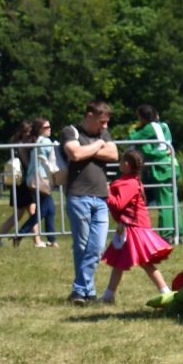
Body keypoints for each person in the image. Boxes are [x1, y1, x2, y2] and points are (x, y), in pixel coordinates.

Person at [60, 101, 119, 305]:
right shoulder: (71, 131)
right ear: (90, 115)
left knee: (96, 247)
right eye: (102, 122)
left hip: (101, 197)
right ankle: (87, 291)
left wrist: (89, 149)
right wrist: (98, 145)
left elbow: (114, 155)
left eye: (106, 123)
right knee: (82, 246)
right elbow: (74, 154)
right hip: (78, 196)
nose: (104, 127)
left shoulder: (104, 133)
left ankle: (79, 290)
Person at [99, 149, 174, 303]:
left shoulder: (130, 183)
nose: (119, 163)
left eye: (121, 161)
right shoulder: (130, 181)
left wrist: (107, 193)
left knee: (145, 262)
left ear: (127, 164)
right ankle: (109, 295)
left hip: (134, 227)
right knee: (119, 261)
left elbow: (119, 204)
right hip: (128, 226)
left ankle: (165, 290)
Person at [129, 104, 178, 238]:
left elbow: (133, 138)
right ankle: (177, 231)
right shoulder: (163, 126)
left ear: (142, 117)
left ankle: (166, 234)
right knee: (172, 201)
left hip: (162, 168)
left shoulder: (148, 128)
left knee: (164, 203)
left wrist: (136, 129)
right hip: (171, 164)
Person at [28, 117, 62, 246]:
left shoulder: (37, 141)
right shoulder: (45, 141)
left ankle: (51, 239)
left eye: (49, 126)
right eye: (46, 127)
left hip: (37, 179)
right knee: (45, 211)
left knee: (48, 210)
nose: (49, 129)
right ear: (39, 129)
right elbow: (56, 153)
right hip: (42, 180)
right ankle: (21, 233)